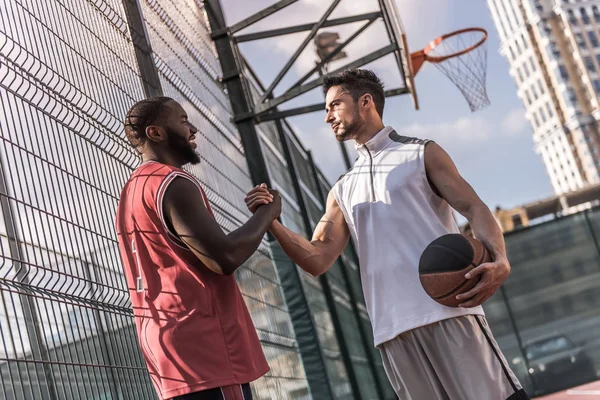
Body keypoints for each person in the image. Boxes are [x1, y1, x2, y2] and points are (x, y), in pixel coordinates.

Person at [245, 69, 530, 400]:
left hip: (448, 310)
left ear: (365, 102)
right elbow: (317, 257)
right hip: (391, 331)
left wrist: (500, 259)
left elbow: (475, 208)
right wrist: (272, 221)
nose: (327, 117)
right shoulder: (342, 189)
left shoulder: (421, 153)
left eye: (334, 105)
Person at [115, 97, 279, 400]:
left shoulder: (132, 190)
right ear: (156, 133)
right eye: (182, 120)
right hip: (208, 352)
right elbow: (224, 258)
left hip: (169, 355)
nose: (192, 129)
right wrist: (267, 213)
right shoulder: (173, 183)